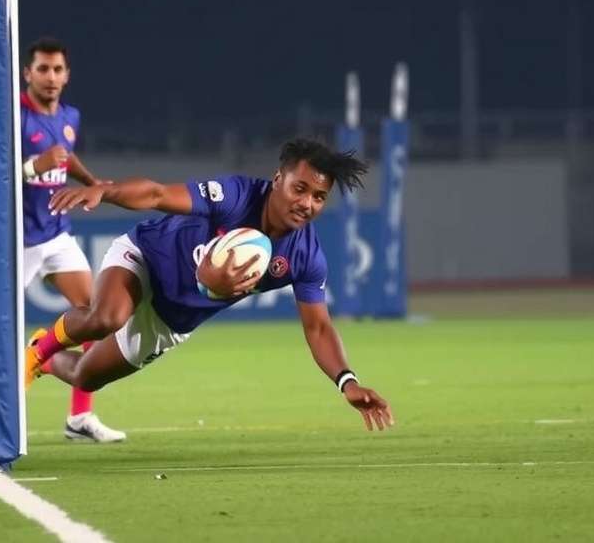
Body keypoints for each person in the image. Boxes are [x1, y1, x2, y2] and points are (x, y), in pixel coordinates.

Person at [25, 137, 394, 431]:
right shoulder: (235, 195)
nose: (307, 203)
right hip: (145, 259)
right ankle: (34, 355)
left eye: (319, 197)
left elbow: (318, 328)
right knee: (107, 317)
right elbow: (157, 194)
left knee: (86, 377)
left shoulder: (305, 256)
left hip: (172, 320)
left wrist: (347, 382)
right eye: (300, 188)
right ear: (278, 179)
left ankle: (45, 356)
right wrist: (105, 192)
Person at [21, 36, 126, 443]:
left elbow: (65, 155)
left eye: (57, 69)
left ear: (67, 75)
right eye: (43, 69)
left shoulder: (69, 116)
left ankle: (79, 417)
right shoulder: (12, 114)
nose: (50, 76)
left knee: (95, 317)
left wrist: (91, 181)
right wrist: (34, 167)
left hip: (57, 234)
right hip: (18, 241)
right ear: (27, 73)